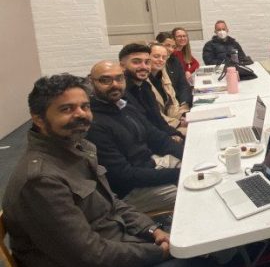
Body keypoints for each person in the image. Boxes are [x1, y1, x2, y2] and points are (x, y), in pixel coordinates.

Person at [2, 74, 173, 266]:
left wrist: (151, 230)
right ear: (39, 119)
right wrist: (159, 252)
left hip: (122, 243)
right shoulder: (41, 180)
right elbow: (90, 255)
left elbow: (112, 203)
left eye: (85, 106)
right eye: (67, 109)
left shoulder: (79, 147)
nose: (81, 114)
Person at [88, 61, 183, 212]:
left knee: (205, 167)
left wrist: (188, 156)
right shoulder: (94, 124)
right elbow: (123, 175)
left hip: (151, 165)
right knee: (196, 195)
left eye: (119, 78)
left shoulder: (124, 105)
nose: (115, 84)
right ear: (91, 82)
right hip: (131, 191)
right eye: (105, 80)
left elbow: (157, 138)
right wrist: (178, 174)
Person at [120, 43, 183, 138]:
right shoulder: (121, 94)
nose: (144, 66)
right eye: (136, 62)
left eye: (147, 62)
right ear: (122, 66)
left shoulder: (145, 86)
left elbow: (159, 121)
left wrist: (177, 135)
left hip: (162, 135)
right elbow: (147, 131)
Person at [149, 43, 189, 135]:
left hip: (170, 121)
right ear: (148, 57)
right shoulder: (144, 80)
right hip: (158, 127)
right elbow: (155, 115)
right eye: (156, 56)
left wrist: (180, 116)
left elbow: (172, 102)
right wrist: (178, 123)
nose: (161, 60)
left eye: (164, 57)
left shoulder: (162, 74)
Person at [156, 31, 193, 107]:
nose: (171, 49)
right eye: (167, 45)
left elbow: (183, 85)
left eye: (173, 47)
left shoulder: (174, 60)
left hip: (180, 104)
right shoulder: (155, 66)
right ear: (158, 45)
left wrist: (184, 103)